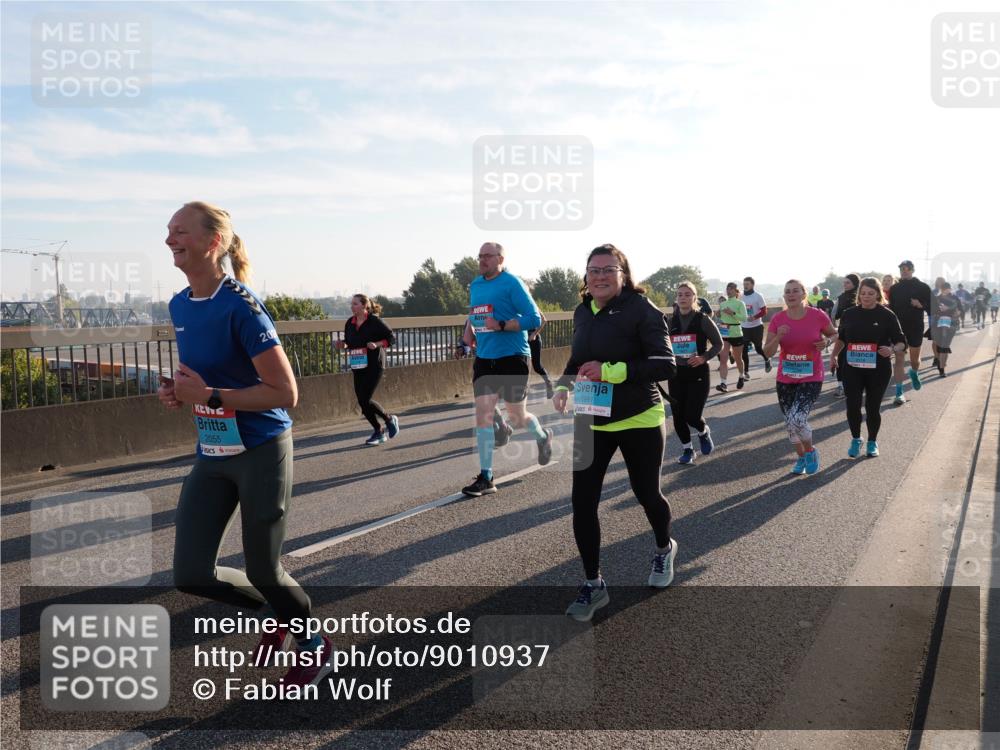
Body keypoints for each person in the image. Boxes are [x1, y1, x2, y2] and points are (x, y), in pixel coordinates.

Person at [160, 201, 331, 687]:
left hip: (261, 448)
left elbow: (285, 393)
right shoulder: (178, 305)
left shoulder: (241, 305)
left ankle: (314, 643)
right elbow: (207, 377)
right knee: (190, 573)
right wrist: (180, 391)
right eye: (168, 231)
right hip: (213, 454)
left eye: (180, 231)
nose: (170, 239)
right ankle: (279, 612)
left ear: (213, 242)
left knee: (264, 570)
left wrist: (209, 394)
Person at [554, 243, 677, 621]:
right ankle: (594, 583)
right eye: (594, 270)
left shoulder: (643, 310)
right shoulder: (582, 311)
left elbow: (665, 364)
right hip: (592, 417)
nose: (600, 276)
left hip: (638, 415)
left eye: (609, 270)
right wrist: (563, 384)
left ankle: (663, 548)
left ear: (623, 274)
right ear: (586, 276)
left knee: (646, 493)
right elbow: (578, 356)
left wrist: (611, 371)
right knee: (582, 501)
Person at [461, 242, 550, 497]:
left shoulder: (512, 282)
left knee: (517, 417)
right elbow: (474, 315)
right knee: (483, 416)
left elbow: (534, 318)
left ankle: (543, 436)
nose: (482, 260)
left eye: (487, 256)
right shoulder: (476, 284)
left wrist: (501, 324)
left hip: (512, 357)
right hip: (485, 358)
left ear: (500, 258)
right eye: (479, 256)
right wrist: (466, 337)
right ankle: (486, 476)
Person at [763, 279, 838, 475]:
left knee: (797, 418)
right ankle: (801, 457)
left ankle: (811, 451)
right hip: (786, 377)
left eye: (795, 291)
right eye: (787, 291)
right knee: (789, 423)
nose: (791, 294)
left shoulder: (817, 315)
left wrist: (827, 342)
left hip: (811, 375)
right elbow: (768, 352)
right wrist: (778, 337)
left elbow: (835, 334)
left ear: (804, 294)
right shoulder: (778, 319)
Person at [830, 277, 905, 458]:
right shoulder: (849, 314)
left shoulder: (887, 315)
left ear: (878, 295)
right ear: (859, 294)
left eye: (871, 294)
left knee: (872, 407)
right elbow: (841, 338)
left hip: (878, 368)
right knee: (852, 405)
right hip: (852, 367)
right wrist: (833, 355)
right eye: (863, 293)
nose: (866, 297)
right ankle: (856, 439)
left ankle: (872, 441)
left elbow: (902, 342)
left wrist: (892, 349)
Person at [335, 294, 399, 446]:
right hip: (358, 364)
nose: (352, 306)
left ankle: (387, 421)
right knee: (362, 401)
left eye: (355, 304)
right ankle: (380, 430)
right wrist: (342, 344)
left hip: (375, 364)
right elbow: (349, 342)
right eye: (352, 304)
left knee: (365, 398)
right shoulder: (350, 323)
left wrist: (376, 344)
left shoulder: (374, 321)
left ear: (364, 306)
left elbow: (391, 338)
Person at [669, 281, 722, 464]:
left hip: (698, 373)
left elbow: (718, 344)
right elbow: (664, 346)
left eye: (687, 294)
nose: (683, 297)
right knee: (677, 416)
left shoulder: (702, 319)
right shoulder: (670, 321)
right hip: (676, 374)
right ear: (676, 299)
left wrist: (703, 357)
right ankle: (688, 450)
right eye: (680, 294)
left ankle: (703, 431)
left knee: (691, 415)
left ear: (694, 297)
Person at [887, 260, 932, 403]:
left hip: (916, 327)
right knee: (899, 358)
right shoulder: (894, 289)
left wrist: (921, 304)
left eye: (907, 269)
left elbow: (933, 307)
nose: (904, 271)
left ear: (913, 270)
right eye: (902, 269)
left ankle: (914, 372)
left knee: (914, 360)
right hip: (898, 329)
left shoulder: (923, 287)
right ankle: (899, 393)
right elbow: (891, 310)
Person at [716, 282, 747, 392]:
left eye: (731, 289)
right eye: (727, 289)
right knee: (723, 358)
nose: (728, 291)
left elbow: (744, 318)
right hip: (724, 332)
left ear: (736, 291)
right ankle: (723, 383)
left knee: (738, 358)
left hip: (736, 333)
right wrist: (718, 314)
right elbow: (720, 316)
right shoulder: (723, 303)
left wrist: (732, 313)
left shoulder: (740, 303)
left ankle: (741, 376)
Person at [833, 274, 860, 397]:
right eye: (844, 282)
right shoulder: (841, 297)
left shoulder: (861, 296)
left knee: (856, 359)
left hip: (859, 334)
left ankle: (858, 384)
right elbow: (835, 315)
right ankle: (840, 385)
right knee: (841, 358)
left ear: (855, 283)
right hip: (844, 332)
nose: (845, 285)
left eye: (848, 282)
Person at [740, 276, 772, 374]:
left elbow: (764, 311)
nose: (745, 286)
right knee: (744, 350)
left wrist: (754, 317)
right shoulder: (740, 296)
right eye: (744, 284)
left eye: (747, 284)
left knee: (758, 348)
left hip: (756, 327)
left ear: (752, 285)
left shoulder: (758, 296)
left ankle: (767, 360)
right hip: (744, 327)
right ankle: (746, 372)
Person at [931, 283, 960, 377]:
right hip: (937, 325)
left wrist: (957, 313)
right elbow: (931, 311)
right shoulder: (936, 299)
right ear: (941, 289)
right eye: (944, 289)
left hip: (951, 324)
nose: (946, 291)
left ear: (950, 289)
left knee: (945, 346)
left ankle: (941, 369)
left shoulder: (955, 298)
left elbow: (961, 309)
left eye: (947, 289)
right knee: (939, 345)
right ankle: (939, 361)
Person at [527, 311, 555, 400]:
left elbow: (544, 320)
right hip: (522, 341)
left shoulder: (532, 305)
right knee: (524, 365)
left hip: (534, 340)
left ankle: (549, 383)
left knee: (537, 366)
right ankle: (524, 390)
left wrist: (534, 334)